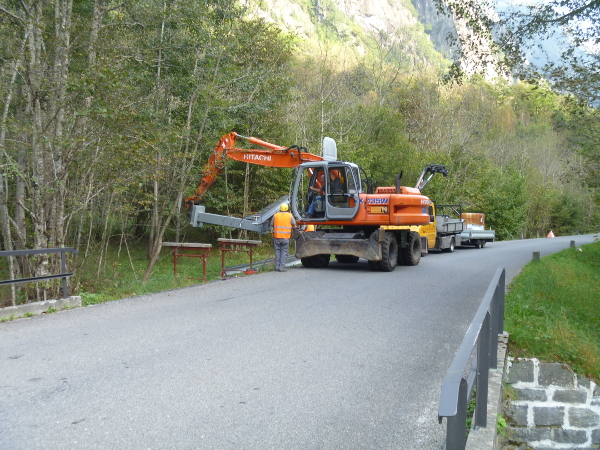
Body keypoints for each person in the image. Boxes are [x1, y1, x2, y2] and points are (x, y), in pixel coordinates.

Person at [271, 203, 296, 272]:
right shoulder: (290, 215)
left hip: (277, 237)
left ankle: (276, 267)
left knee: (277, 251)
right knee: (284, 252)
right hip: (285, 237)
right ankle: (281, 267)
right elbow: (294, 225)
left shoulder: (275, 215)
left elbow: (271, 224)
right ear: (287, 208)